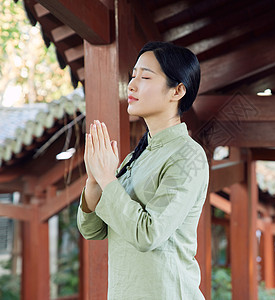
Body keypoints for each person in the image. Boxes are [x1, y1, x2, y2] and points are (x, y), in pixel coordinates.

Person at [77, 41, 209, 299]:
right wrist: (95, 181)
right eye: (132, 76)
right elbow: (93, 230)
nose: (132, 85)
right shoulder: (136, 157)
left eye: (145, 76)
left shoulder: (188, 155)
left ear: (177, 90)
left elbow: (148, 234)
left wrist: (107, 178)